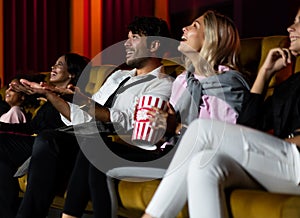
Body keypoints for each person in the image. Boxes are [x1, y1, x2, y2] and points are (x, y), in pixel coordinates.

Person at [67, 10, 250, 218]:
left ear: (212, 38)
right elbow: (167, 128)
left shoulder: (226, 82)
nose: (184, 28)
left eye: (195, 26)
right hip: (164, 150)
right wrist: (160, 124)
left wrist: (176, 128)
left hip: (191, 158)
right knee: (93, 145)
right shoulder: (183, 80)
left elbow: (221, 139)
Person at [142, 7, 300, 218]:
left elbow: (240, 133)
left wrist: (278, 146)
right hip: (283, 162)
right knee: (203, 164)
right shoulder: (289, 85)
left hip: (292, 156)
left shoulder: (229, 81)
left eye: (299, 22)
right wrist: (265, 73)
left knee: (202, 130)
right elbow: (249, 127)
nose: (290, 27)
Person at [16, 16, 173, 218]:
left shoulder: (163, 84)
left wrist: (82, 100)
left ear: (155, 45)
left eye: (134, 38)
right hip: (86, 136)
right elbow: (80, 116)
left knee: (56, 140)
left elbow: (132, 123)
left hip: (115, 143)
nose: (126, 43)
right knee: (48, 138)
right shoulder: (118, 76)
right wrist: (50, 94)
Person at [0, 53, 90, 218]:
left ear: (72, 74)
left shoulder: (76, 99)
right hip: (37, 142)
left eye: (59, 65)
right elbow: (31, 128)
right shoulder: (49, 100)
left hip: (53, 148)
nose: (52, 68)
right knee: (2, 160)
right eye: (54, 64)